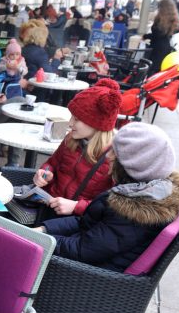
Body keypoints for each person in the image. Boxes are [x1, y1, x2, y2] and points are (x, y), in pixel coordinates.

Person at [38, 123, 179, 272]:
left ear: (133, 166)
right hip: (84, 259)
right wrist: (44, 229)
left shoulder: (133, 212)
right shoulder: (141, 191)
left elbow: (83, 250)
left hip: (85, 278)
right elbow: (88, 222)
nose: (109, 156)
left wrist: (38, 240)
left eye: (116, 153)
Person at [32, 79, 121, 218]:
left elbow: (113, 204)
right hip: (47, 207)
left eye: (77, 119)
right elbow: (52, 164)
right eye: (72, 117)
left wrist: (76, 207)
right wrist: (45, 173)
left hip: (74, 222)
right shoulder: (71, 139)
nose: (70, 123)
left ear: (97, 123)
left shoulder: (115, 156)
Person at [144, 0, 179, 75]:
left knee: (152, 69)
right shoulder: (174, 18)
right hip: (167, 47)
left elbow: (157, 35)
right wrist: (169, 34)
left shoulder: (160, 19)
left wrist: (146, 36)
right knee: (161, 70)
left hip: (157, 48)